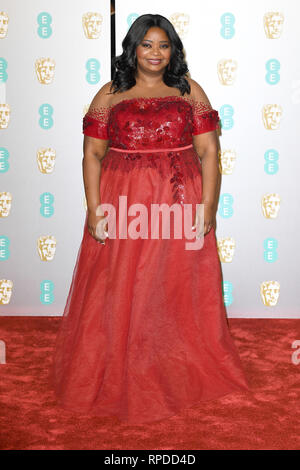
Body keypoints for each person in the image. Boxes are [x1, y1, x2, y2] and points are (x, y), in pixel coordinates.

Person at [49, 13, 250, 425]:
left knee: (175, 281)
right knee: (122, 283)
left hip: (178, 198)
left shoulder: (189, 90)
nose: (156, 53)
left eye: (164, 45)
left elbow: (209, 151)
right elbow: (92, 155)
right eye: (147, 45)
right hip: (124, 201)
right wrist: (93, 207)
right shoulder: (109, 94)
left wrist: (208, 206)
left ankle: (171, 361)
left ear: (173, 50)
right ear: (133, 49)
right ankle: (123, 364)